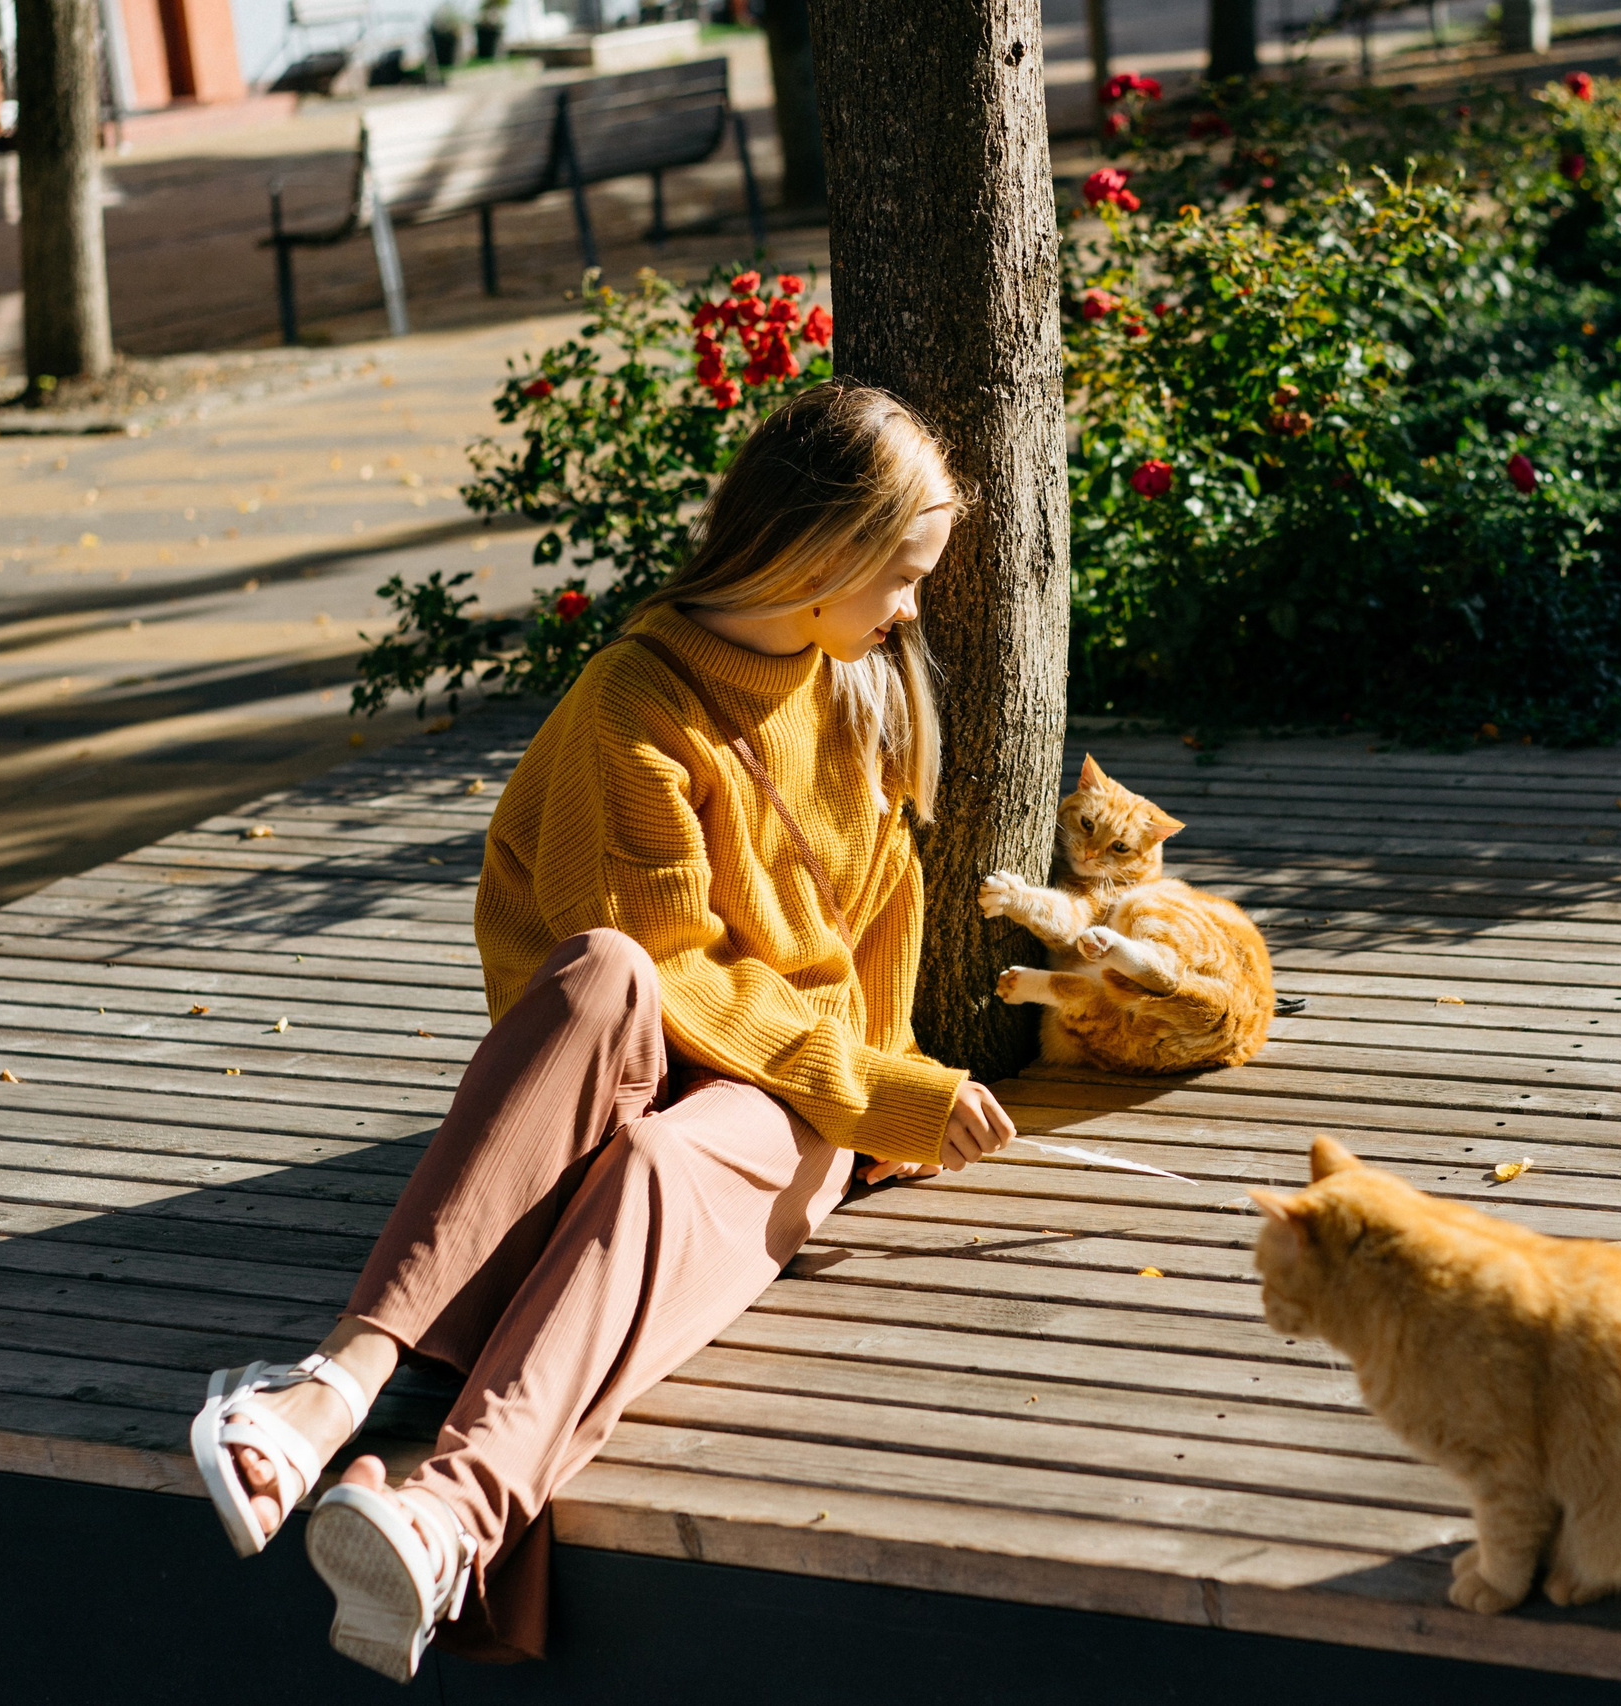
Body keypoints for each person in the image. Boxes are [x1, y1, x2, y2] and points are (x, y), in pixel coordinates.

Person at [187, 382, 1018, 1680]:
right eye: (901, 574)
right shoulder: (630, 710)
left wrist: (895, 1101)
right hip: (608, 1072)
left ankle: (448, 1517)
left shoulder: (868, 699)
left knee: (669, 1164)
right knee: (608, 971)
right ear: (823, 558)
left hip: (779, 1110)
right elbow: (665, 978)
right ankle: (329, 1392)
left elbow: (871, 985)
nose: (912, 606)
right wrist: (885, 1087)